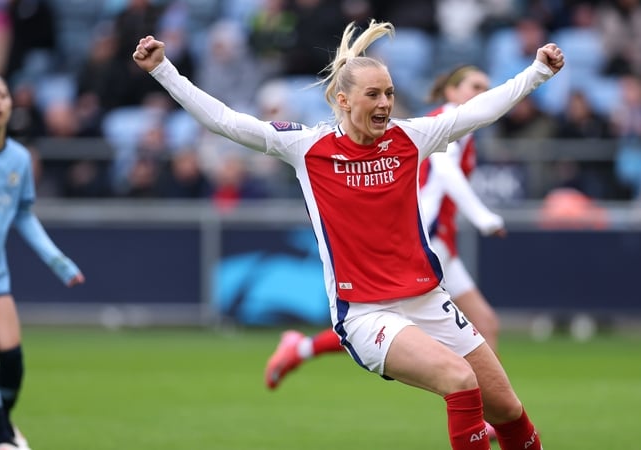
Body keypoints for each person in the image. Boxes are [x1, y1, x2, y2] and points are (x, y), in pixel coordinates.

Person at [133, 19, 563, 450]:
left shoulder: (409, 138)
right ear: (343, 99)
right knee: (459, 379)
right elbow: (226, 121)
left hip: (428, 298)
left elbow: (478, 110)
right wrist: (162, 69)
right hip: (366, 314)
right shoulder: (307, 147)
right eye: (373, 94)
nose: (385, 104)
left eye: (390, 93)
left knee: (507, 409)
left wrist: (537, 73)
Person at [263, 65, 506, 391]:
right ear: (452, 92)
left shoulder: (465, 133)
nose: (481, 93)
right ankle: (481, 410)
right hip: (425, 241)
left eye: (486, 87)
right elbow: (446, 174)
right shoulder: (442, 122)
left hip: (443, 242)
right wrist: (483, 218)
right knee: (392, 323)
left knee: (483, 323)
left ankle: (301, 348)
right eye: (475, 86)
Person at [0, 74, 85, 450]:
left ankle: (3, 428)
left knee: (12, 361)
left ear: (10, 106)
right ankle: (4, 441)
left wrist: (59, 263)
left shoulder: (19, 160)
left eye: (2, 95)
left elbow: (24, 215)